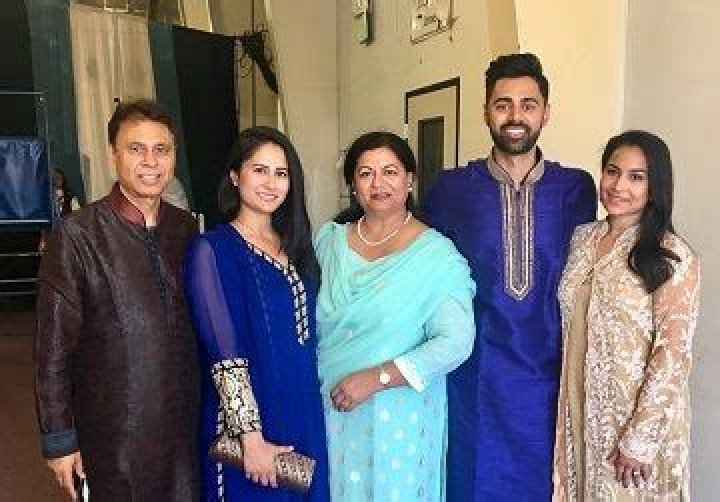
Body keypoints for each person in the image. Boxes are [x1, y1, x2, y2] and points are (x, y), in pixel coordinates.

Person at [423, 53, 597, 500]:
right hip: (474, 379)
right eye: (503, 105)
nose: (515, 116)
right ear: (486, 111)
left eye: (528, 104)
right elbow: (422, 275)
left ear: (546, 112)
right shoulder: (451, 189)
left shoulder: (576, 189)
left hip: (551, 378)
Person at [35, 99, 200, 500]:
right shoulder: (77, 235)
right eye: (136, 149)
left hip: (183, 429)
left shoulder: (184, 229)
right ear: (113, 155)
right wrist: (59, 440)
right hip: (112, 437)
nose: (150, 162)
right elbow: (52, 348)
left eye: (161, 150)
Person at [315, 131, 476, 501]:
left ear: (409, 180)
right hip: (328, 407)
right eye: (366, 173)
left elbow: (456, 342)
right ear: (352, 185)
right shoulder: (328, 243)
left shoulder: (436, 255)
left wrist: (378, 378)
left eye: (389, 171)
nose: (378, 183)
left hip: (398, 414)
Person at [552, 131, 700, 500]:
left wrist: (640, 438)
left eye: (637, 177)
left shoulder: (671, 255)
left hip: (632, 424)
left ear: (655, 186)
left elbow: (673, 353)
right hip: (579, 405)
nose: (619, 186)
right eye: (612, 172)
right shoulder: (582, 239)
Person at [185, 126, 330, 501]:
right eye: (259, 170)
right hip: (247, 428)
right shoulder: (213, 250)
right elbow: (223, 353)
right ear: (235, 176)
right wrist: (251, 439)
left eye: (281, 173)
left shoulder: (296, 248)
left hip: (302, 412)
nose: (271, 183)